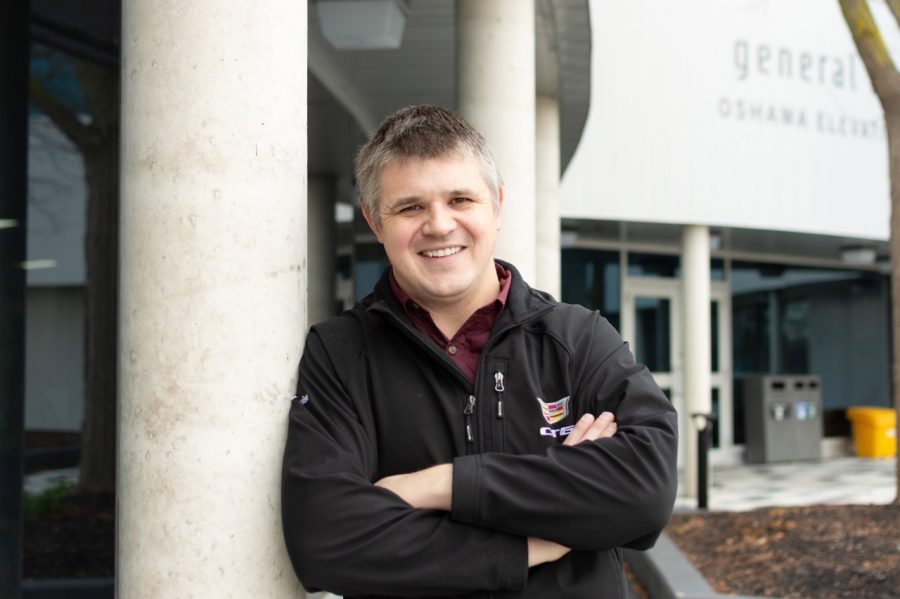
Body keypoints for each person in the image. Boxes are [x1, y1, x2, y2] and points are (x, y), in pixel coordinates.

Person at [281, 105, 677, 598]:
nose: (439, 225)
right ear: (374, 220)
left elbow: (646, 492)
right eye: (410, 208)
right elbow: (325, 542)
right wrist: (528, 543)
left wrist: (439, 486)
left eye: (461, 199)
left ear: (497, 205)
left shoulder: (577, 338)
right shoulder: (339, 353)